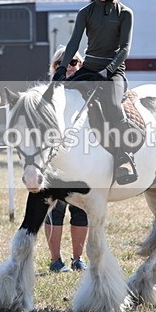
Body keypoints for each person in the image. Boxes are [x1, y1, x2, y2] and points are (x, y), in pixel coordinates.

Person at [52, 0, 137, 185]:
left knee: (113, 108)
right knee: (62, 99)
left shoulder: (125, 14)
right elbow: (73, 44)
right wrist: (61, 69)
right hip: (89, 68)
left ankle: (124, 156)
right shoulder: (85, 13)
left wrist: (108, 71)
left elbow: (124, 49)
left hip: (114, 72)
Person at [46, 47, 89, 272]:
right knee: (55, 210)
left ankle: (78, 258)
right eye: (60, 64)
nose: (69, 67)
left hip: (83, 162)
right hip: (56, 161)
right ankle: (55, 260)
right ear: (53, 69)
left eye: (73, 62)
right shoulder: (48, 96)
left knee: (81, 210)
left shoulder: (88, 94)